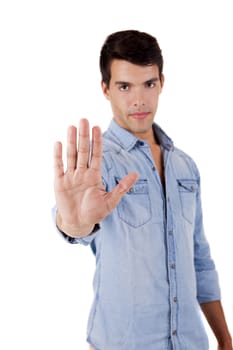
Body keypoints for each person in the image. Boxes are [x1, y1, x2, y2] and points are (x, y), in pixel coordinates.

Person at [53, 30, 232, 350]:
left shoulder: (185, 166)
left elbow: (199, 258)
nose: (138, 99)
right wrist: (75, 223)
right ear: (105, 89)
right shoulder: (98, 163)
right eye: (124, 86)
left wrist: (224, 337)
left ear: (162, 82)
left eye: (148, 84)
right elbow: (75, 225)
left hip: (190, 343)